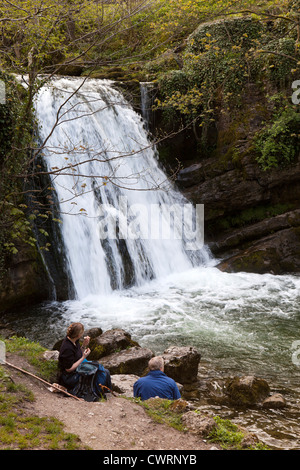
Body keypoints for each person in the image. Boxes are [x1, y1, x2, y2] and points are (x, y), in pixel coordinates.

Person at [58, 322, 111, 396]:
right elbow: (68, 369)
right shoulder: (67, 348)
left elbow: (77, 355)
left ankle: (106, 390)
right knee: (99, 372)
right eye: (82, 333)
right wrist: (84, 357)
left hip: (77, 367)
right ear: (78, 335)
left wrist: (84, 345)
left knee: (105, 371)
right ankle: (98, 392)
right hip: (69, 377)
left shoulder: (74, 340)